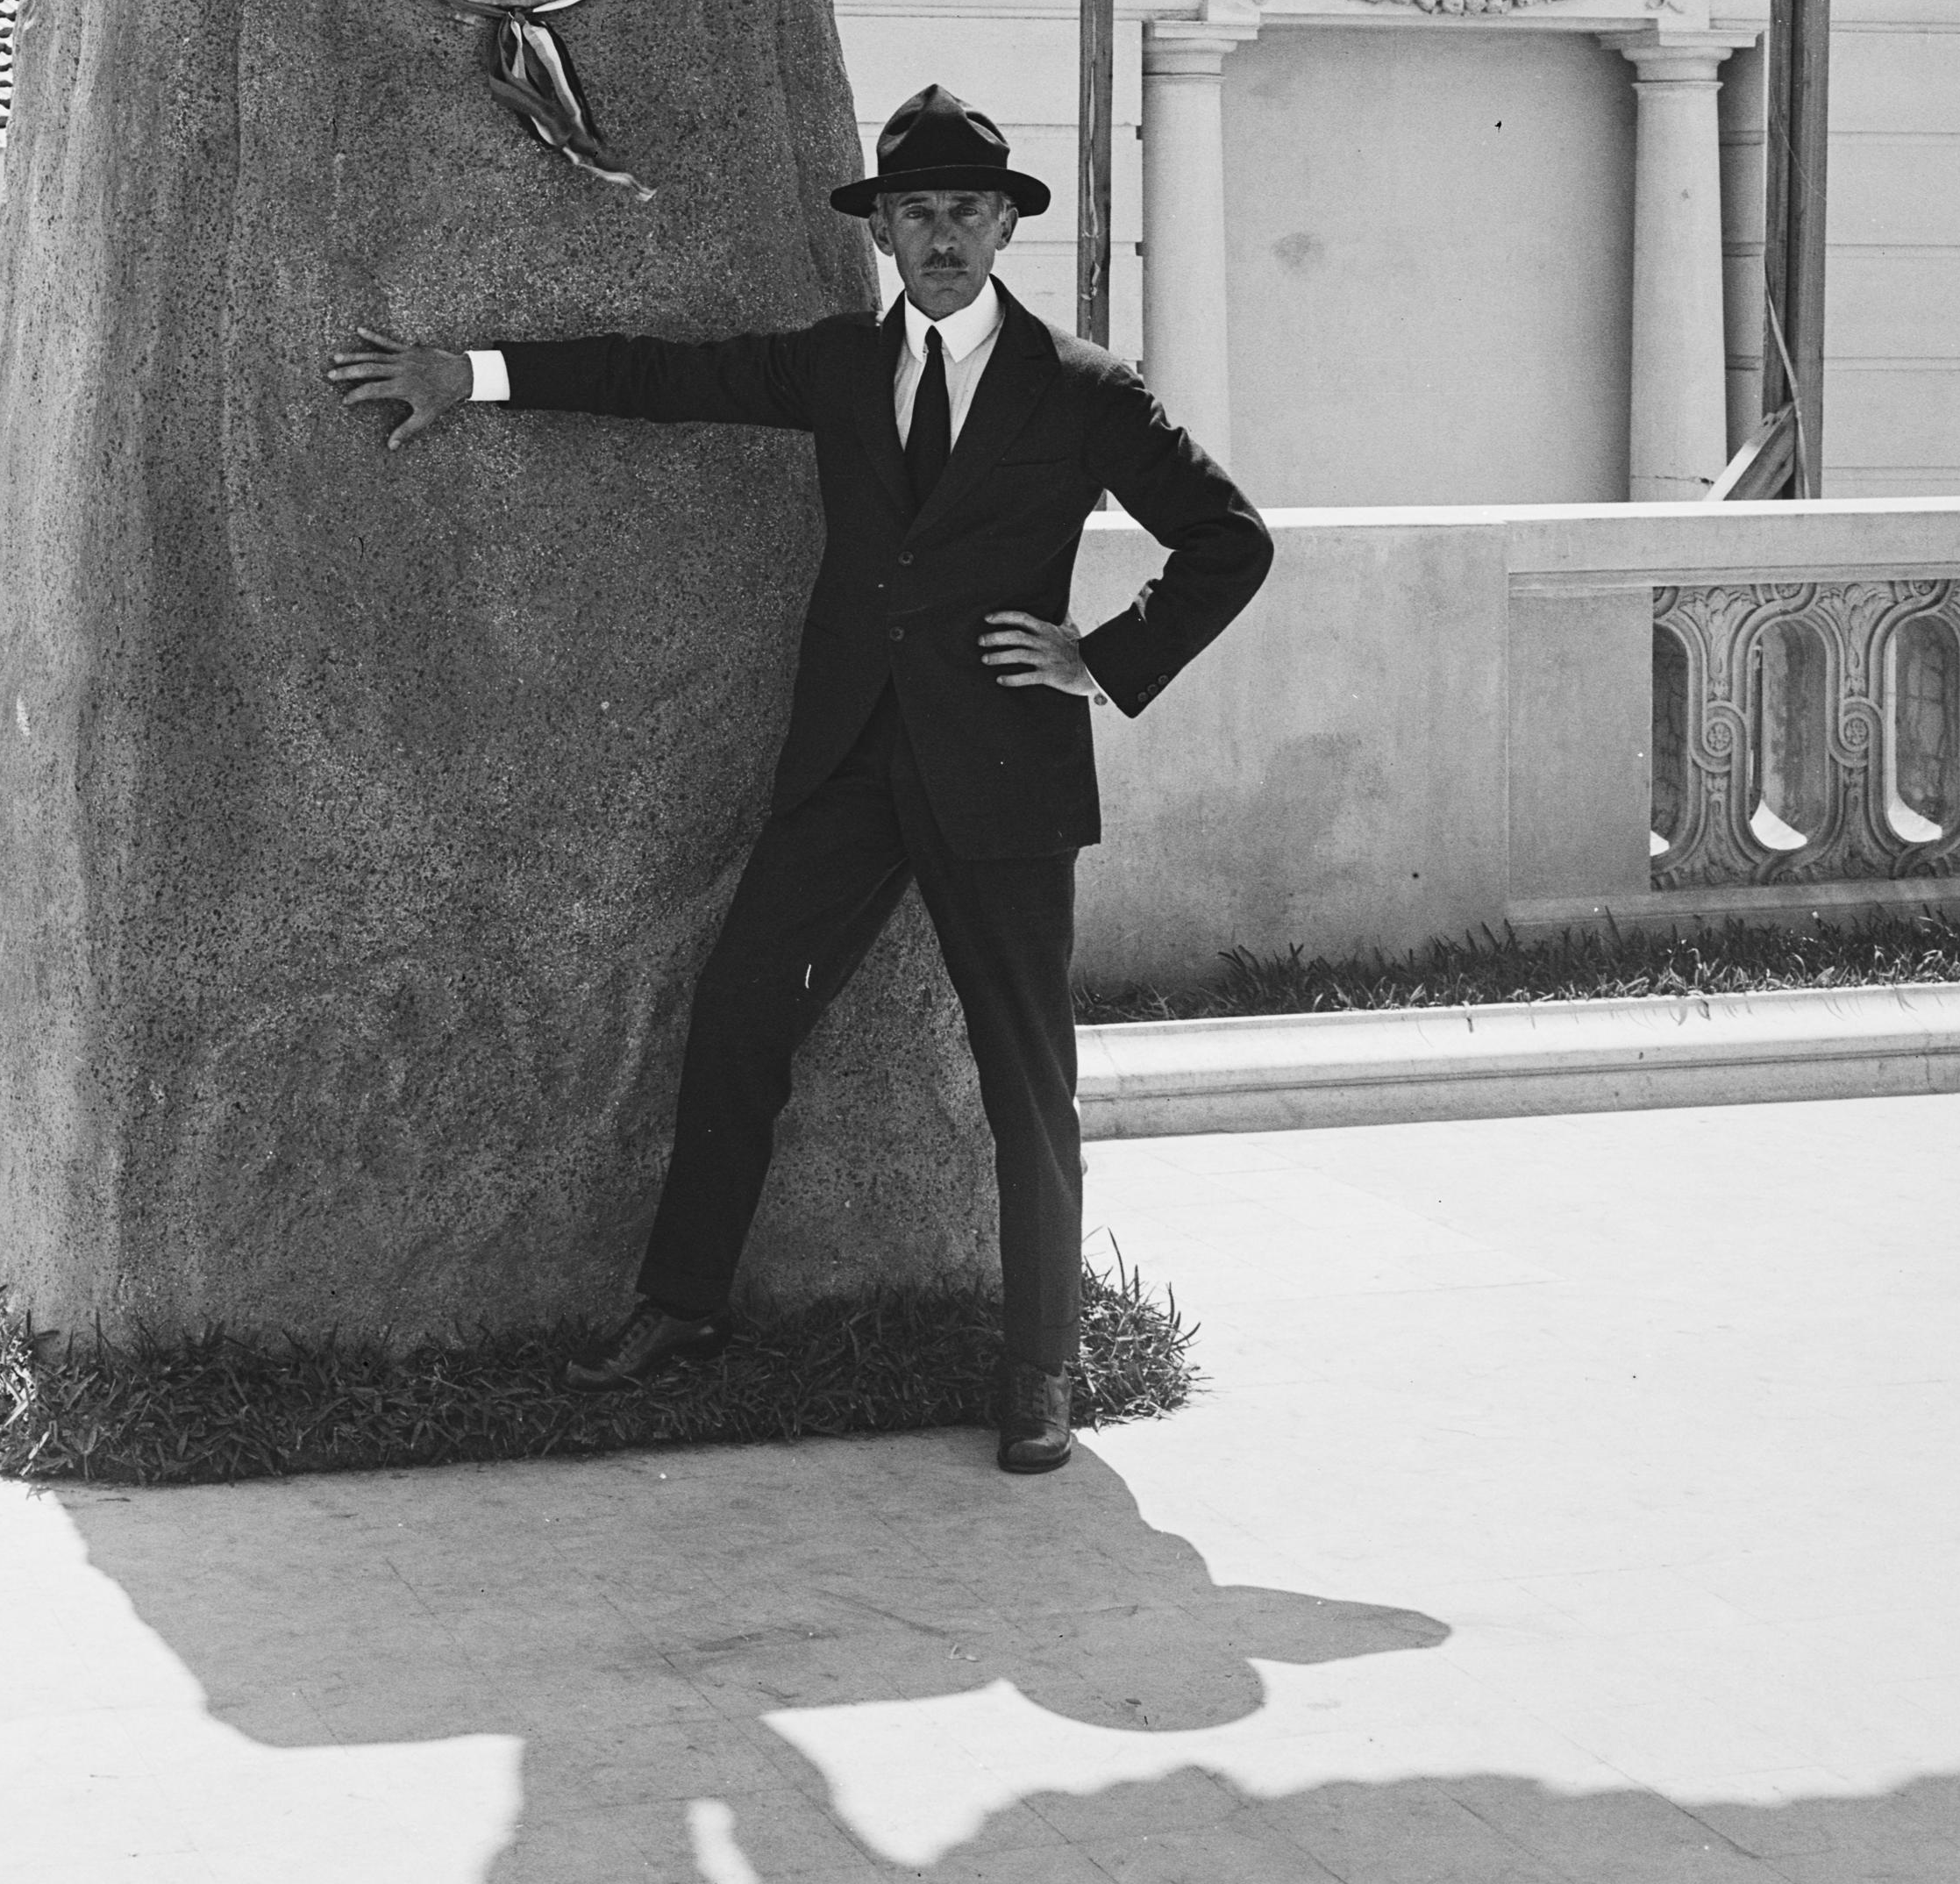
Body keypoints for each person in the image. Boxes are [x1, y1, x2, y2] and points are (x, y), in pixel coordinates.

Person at [328, 87, 1274, 1473]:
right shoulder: (837, 365)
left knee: (1024, 1078)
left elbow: (1228, 540)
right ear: (881, 231)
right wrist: (465, 373)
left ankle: (1038, 1365)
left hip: (1002, 778)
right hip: (846, 766)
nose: (939, 233)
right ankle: (685, 1309)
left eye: (965, 209)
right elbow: (659, 380)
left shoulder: (1081, 391)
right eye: (914, 211)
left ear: (1004, 225)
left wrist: (1100, 655)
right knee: (735, 1020)